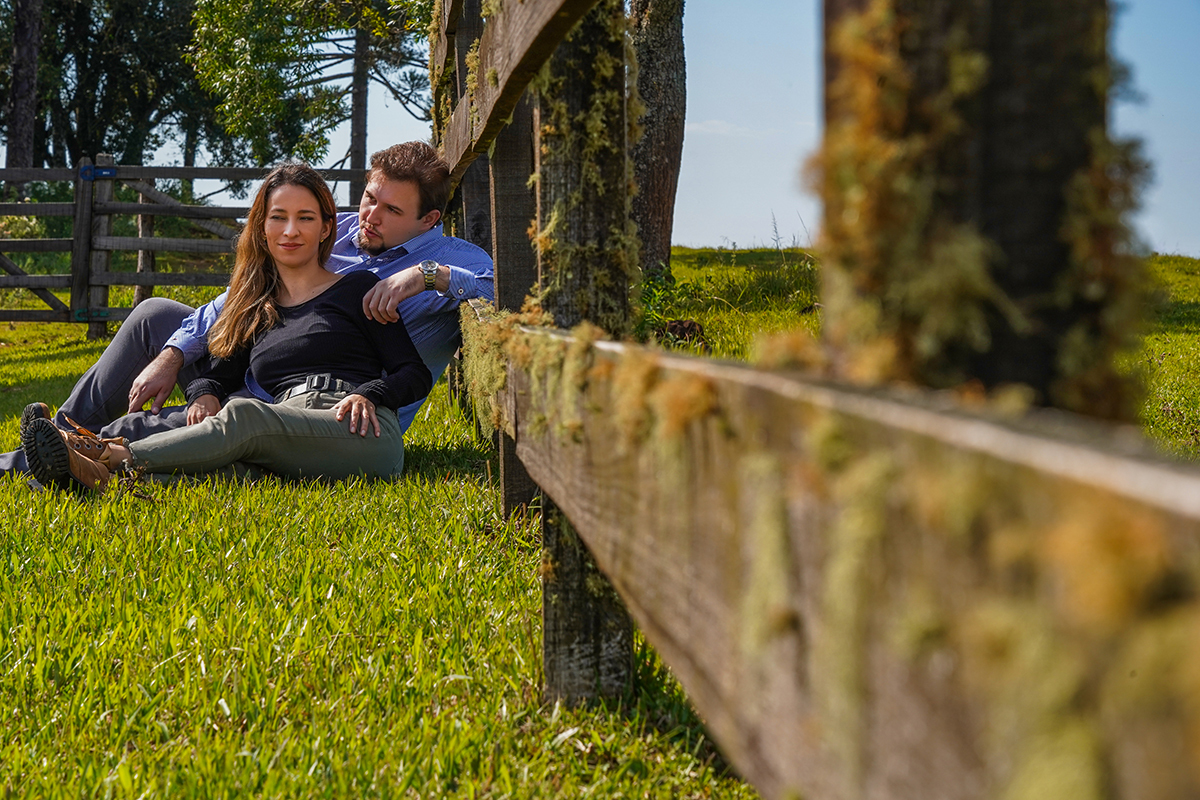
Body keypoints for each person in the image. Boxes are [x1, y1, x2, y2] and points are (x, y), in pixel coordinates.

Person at [0, 141, 493, 476]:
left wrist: (428, 275)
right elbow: (241, 304)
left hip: (345, 407)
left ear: (428, 219)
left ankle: (94, 458)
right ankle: (56, 440)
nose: (370, 216)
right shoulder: (336, 228)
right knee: (154, 317)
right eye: (369, 199)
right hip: (263, 368)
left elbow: (501, 295)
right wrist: (175, 354)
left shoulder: (451, 258)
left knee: (234, 429)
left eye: (391, 210)